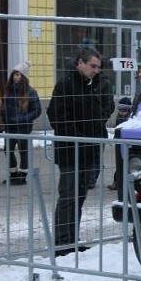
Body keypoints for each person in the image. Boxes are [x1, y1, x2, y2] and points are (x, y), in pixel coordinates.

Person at [47, 47, 114, 256]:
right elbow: (57, 116)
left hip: (92, 148)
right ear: (80, 63)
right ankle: (62, 243)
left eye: (98, 67)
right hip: (71, 150)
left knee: (80, 195)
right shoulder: (65, 85)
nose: (96, 70)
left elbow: (108, 106)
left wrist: (95, 125)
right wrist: (78, 137)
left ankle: (72, 240)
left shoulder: (101, 83)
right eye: (92, 66)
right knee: (68, 196)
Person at [1, 61, 42, 185]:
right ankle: (13, 173)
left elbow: (37, 110)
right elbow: (5, 107)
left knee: (23, 150)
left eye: (18, 74)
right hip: (10, 126)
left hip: (23, 126)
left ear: (23, 76)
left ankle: (22, 175)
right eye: (14, 74)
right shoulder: (9, 91)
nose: (15, 77)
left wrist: (24, 119)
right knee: (7, 149)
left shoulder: (31, 92)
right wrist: (4, 116)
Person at [107, 97, 132, 191]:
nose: (122, 113)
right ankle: (117, 182)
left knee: (129, 164)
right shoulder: (119, 117)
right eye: (120, 111)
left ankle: (126, 184)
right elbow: (117, 129)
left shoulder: (131, 119)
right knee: (120, 164)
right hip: (120, 144)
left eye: (124, 111)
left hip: (128, 144)